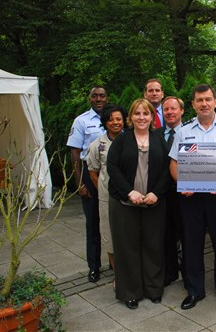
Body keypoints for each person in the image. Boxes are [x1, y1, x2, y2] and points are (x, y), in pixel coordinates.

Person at [169, 84, 216, 310]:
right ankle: (195, 291)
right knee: (192, 245)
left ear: (215, 102)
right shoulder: (184, 131)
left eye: (208, 99)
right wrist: (182, 183)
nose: (204, 104)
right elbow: (174, 163)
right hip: (192, 198)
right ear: (193, 104)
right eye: (199, 100)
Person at [107, 98, 170, 309]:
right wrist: (129, 191)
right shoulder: (121, 140)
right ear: (130, 117)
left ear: (152, 117)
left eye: (146, 113)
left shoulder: (159, 140)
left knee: (153, 246)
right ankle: (130, 292)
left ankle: (154, 289)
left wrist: (156, 193)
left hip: (153, 202)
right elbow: (112, 169)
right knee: (127, 247)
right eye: (137, 114)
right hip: (125, 203)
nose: (141, 117)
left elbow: (166, 171)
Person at [66, 86, 107, 283]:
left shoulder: (113, 118)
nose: (98, 99)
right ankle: (94, 266)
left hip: (109, 175)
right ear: (89, 98)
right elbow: (75, 154)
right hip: (88, 174)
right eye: (95, 96)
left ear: (106, 98)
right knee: (93, 223)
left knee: (113, 222)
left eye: (102, 96)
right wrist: (79, 183)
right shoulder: (81, 121)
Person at [86, 104, 126, 289]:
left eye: (118, 119)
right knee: (109, 236)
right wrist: (103, 189)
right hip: (107, 198)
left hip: (129, 197)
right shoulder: (97, 145)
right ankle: (119, 275)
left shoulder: (131, 140)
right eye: (111, 119)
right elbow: (93, 171)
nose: (115, 122)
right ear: (105, 122)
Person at [156, 96, 185, 286]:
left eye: (173, 109)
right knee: (166, 235)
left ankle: (188, 273)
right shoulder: (155, 134)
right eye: (166, 109)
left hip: (185, 194)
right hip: (162, 194)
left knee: (186, 235)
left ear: (182, 111)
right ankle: (170, 272)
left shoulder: (190, 133)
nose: (170, 112)